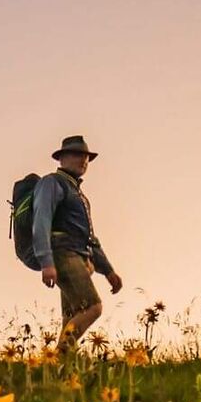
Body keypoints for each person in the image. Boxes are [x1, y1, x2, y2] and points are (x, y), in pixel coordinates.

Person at [31, 135, 123, 351]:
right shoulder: (52, 183)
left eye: (86, 157)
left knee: (72, 315)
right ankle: (58, 358)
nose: (83, 160)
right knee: (92, 307)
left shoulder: (77, 193)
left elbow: (89, 237)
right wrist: (46, 262)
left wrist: (108, 270)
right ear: (61, 158)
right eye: (76, 155)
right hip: (63, 254)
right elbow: (41, 221)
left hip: (79, 255)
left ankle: (61, 372)